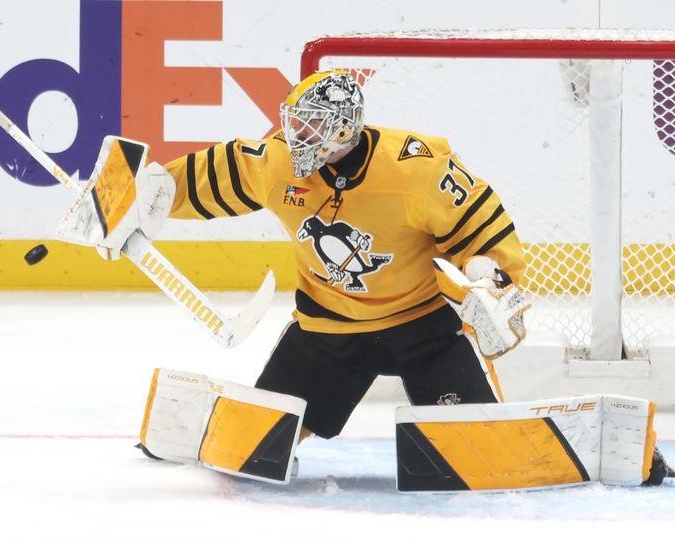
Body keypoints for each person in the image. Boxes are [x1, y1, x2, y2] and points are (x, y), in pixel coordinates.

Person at [162, 70, 528, 440]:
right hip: (327, 329)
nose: (296, 135)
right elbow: (220, 172)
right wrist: (151, 192)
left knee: (475, 445)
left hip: (424, 328)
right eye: (294, 123)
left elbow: (478, 223)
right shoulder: (278, 163)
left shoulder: (416, 168)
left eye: (311, 123)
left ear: (342, 127)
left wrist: (493, 282)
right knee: (258, 443)